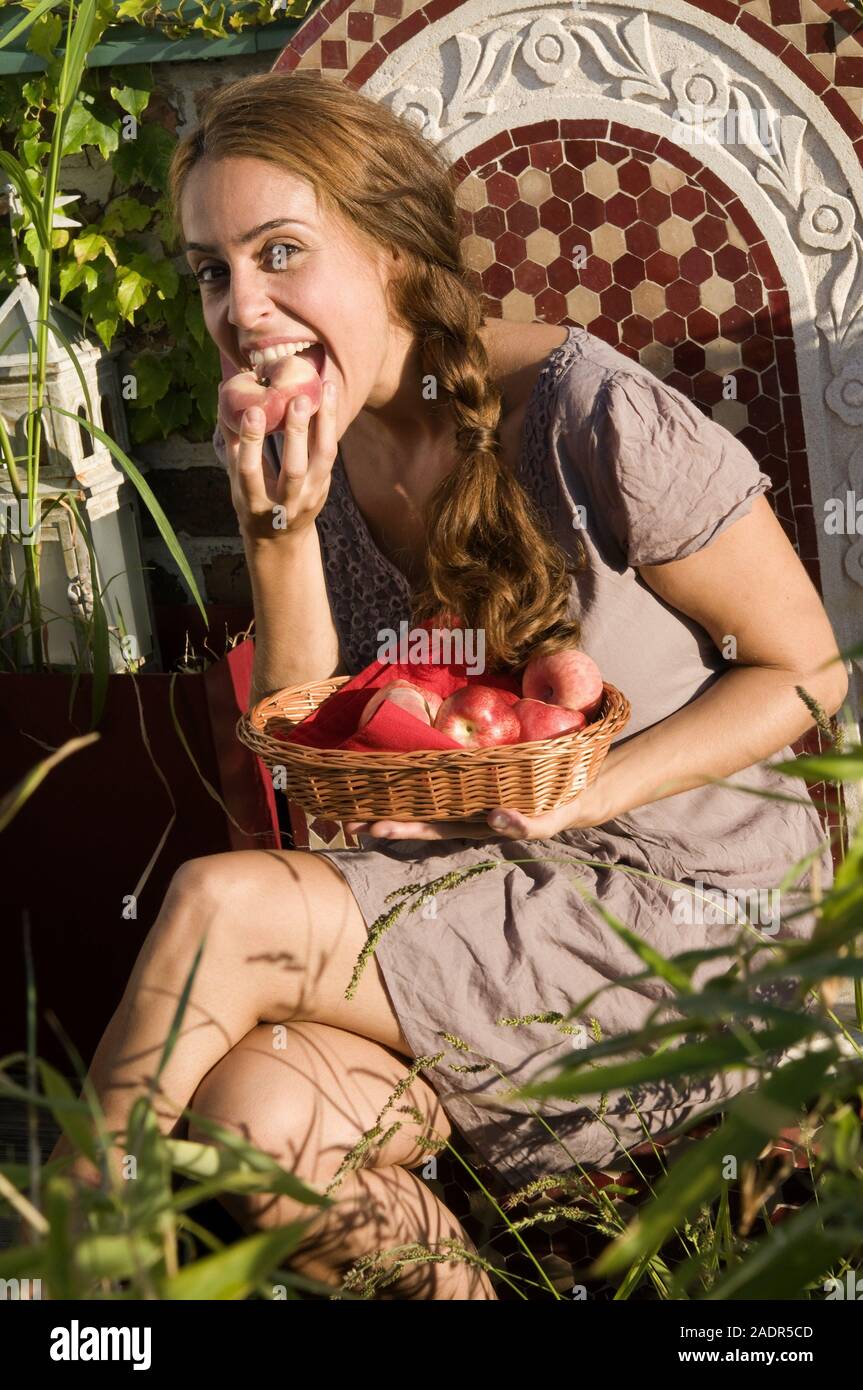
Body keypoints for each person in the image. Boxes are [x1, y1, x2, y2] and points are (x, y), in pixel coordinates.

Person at [48, 70, 848, 1301]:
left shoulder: (591, 413)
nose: (242, 307)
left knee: (221, 905)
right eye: (214, 269)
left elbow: (805, 671)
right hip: (478, 902)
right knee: (262, 1115)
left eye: (279, 254)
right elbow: (316, 776)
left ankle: (57, 1271)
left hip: (692, 919)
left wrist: (582, 792)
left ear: (395, 257)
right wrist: (281, 531)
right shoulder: (318, 447)